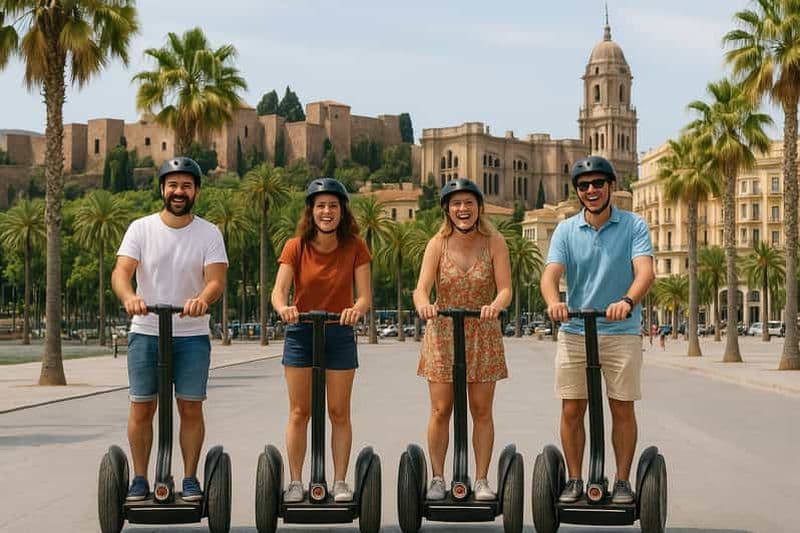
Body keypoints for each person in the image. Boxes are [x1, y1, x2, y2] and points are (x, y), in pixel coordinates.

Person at [111, 157, 228, 501]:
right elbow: (121, 272)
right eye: (173, 185)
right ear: (163, 189)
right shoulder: (141, 228)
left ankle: (190, 478)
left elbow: (216, 280)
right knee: (142, 407)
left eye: (186, 186)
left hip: (191, 335)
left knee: (190, 407)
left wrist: (202, 299)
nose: (179, 192)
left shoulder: (209, 233)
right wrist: (130, 297)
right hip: (146, 330)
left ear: (196, 192)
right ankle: (139, 478)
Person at [540, 155, 655, 505]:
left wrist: (627, 301)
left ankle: (621, 481)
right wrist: (554, 302)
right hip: (575, 329)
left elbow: (645, 272)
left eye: (598, 183)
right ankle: (575, 479)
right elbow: (550, 274)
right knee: (571, 409)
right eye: (583, 185)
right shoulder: (566, 230)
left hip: (621, 330)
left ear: (611, 186)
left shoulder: (634, 225)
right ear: (577, 191)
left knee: (622, 408)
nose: (591, 190)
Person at [271, 178, 372, 503]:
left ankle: (340, 481)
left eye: (333, 206)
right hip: (301, 331)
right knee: (300, 411)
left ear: (342, 211)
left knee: (339, 412)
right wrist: (283, 308)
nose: (327, 212)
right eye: (321, 206)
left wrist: (356, 310)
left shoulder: (355, 246)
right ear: (311, 211)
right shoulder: (295, 246)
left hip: (339, 331)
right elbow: (278, 291)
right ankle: (296, 481)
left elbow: (364, 296)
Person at [413, 177, 512, 501]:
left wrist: (495, 306)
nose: (463, 209)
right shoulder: (437, 244)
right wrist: (424, 305)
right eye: (456, 203)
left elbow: (505, 289)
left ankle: (481, 479)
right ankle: (437, 477)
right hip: (443, 333)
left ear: (479, 207)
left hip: (482, 332)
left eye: (469, 203)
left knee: (481, 411)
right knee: (441, 409)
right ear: (447, 209)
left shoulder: (494, 242)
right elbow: (421, 288)